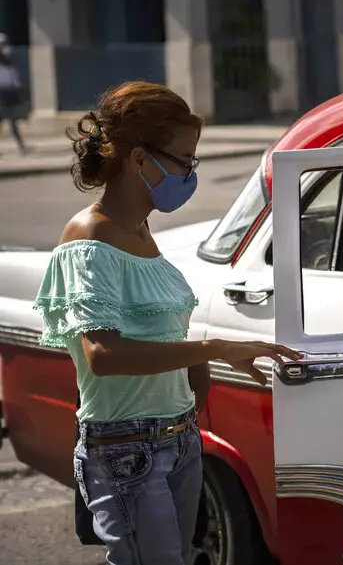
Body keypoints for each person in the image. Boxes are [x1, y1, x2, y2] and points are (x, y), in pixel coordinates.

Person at [33, 81, 300, 564]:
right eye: (184, 161)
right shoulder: (89, 237)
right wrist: (214, 350)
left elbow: (160, 329)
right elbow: (103, 355)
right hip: (126, 448)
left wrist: (196, 380)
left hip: (178, 438)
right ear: (139, 159)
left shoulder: (141, 230)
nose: (190, 174)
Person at [0, 34, 27, 155]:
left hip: (8, 96)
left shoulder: (9, 65)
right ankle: (21, 146)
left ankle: (21, 146)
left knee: (13, 122)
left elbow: (15, 82)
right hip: (2, 95)